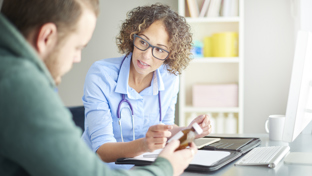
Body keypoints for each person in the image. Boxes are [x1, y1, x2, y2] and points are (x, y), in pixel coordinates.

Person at [0, 0, 197, 176]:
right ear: (46, 37)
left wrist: (186, 132)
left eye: (160, 49)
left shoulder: (13, 71)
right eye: (78, 47)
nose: (77, 59)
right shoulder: (20, 85)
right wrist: (165, 168)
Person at [82, 3, 212, 169]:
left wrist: (190, 130)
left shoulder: (170, 78)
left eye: (159, 49)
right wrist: (144, 144)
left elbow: (165, 131)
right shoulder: (101, 75)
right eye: (143, 42)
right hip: (97, 169)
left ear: (170, 55)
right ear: (132, 36)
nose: (146, 56)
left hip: (142, 168)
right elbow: (102, 151)